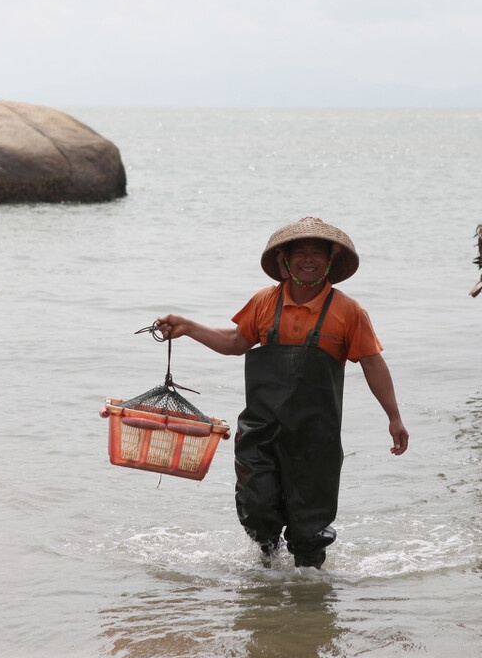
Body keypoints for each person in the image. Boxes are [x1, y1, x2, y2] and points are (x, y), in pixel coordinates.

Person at [156, 216, 410, 569]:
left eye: (317, 253)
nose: (308, 259)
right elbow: (236, 342)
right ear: (283, 260)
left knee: (310, 531)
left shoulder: (348, 311)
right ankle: (268, 577)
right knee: (257, 507)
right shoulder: (265, 301)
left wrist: (394, 417)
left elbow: (372, 363)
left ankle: (310, 587)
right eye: (299, 252)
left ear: (331, 260)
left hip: (316, 438)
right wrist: (188, 327)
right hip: (260, 431)